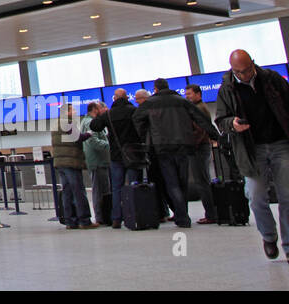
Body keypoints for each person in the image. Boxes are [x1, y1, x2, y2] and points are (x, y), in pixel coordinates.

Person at [215, 49, 289, 267]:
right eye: (238, 72)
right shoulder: (227, 89)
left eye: (247, 70)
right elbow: (220, 120)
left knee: (288, 197)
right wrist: (232, 123)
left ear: (253, 63)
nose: (244, 75)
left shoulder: (272, 80)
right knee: (256, 196)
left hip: (281, 144)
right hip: (252, 149)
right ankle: (269, 236)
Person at [133, 78, 220, 228]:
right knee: (182, 182)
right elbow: (201, 119)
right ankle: (182, 214)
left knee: (171, 182)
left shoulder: (150, 103)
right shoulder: (182, 101)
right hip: (184, 145)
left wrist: (146, 136)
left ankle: (182, 217)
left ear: (155, 89)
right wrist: (216, 136)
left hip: (162, 147)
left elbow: (136, 118)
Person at [89, 88, 147, 229]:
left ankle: (116, 219)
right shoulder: (134, 111)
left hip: (116, 155)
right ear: (127, 97)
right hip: (133, 154)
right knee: (134, 185)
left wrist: (99, 115)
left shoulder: (109, 114)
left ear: (114, 99)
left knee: (116, 187)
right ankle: (135, 215)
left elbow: (94, 126)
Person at [50, 105, 95, 229]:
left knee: (67, 192)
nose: (75, 111)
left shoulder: (56, 124)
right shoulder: (67, 122)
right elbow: (78, 138)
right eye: (73, 110)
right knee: (78, 191)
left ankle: (70, 221)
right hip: (70, 161)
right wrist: (89, 134)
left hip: (60, 162)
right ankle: (84, 220)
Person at [184, 85, 219, 224]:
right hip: (202, 147)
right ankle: (211, 212)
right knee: (204, 180)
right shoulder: (201, 107)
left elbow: (199, 131)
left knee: (202, 181)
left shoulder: (198, 109)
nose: (187, 96)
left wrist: (191, 145)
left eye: (190, 94)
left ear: (198, 94)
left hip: (198, 148)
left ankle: (211, 214)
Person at [81, 102, 111, 226]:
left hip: (100, 160)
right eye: (100, 108)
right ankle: (100, 217)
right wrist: (109, 145)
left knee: (103, 190)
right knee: (99, 190)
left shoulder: (91, 122)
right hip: (97, 161)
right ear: (94, 109)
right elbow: (93, 141)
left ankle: (104, 215)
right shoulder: (89, 123)